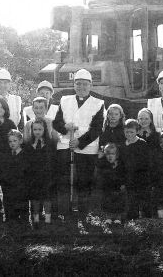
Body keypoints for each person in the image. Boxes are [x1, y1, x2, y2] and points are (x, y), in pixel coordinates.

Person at [52, 68, 105, 220]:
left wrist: (80, 141)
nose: (81, 87)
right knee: (65, 180)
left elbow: (97, 128)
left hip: (87, 148)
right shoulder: (64, 100)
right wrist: (65, 128)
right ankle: (65, 210)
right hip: (65, 146)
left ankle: (82, 213)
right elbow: (57, 123)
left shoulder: (98, 103)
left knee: (84, 181)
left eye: (85, 84)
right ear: (74, 85)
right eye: (78, 84)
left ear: (91, 86)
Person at [25, 118, 55, 228]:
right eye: (35, 129)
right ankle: (36, 218)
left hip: (47, 176)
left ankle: (47, 218)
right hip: (33, 176)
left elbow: (52, 161)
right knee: (35, 197)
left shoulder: (50, 144)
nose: (37, 132)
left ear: (45, 130)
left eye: (40, 129)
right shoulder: (28, 145)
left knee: (47, 197)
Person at [119, 119, 150, 219]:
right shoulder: (123, 145)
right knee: (131, 200)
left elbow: (145, 162)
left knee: (144, 200)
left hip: (141, 177)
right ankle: (133, 221)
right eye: (126, 132)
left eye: (131, 132)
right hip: (129, 177)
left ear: (137, 131)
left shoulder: (141, 143)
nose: (129, 134)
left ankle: (146, 220)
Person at [1, 130, 30, 224]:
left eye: (15, 141)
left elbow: (25, 172)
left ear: (20, 141)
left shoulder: (25, 155)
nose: (12, 143)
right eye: (10, 141)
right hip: (9, 189)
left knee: (23, 212)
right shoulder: (7, 155)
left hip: (22, 189)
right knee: (10, 212)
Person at [94, 143, 127, 225]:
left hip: (118, 188)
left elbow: (124, 175)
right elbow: (98, 170)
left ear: (117, 155)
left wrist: (124, 184)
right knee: (107, 202)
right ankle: (108, 217)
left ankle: (118, 218)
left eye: (112, 154)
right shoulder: (104, 164)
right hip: (107, 188)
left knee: (119, 202)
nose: (110, 156)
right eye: (108, 154)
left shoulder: (120, 165)